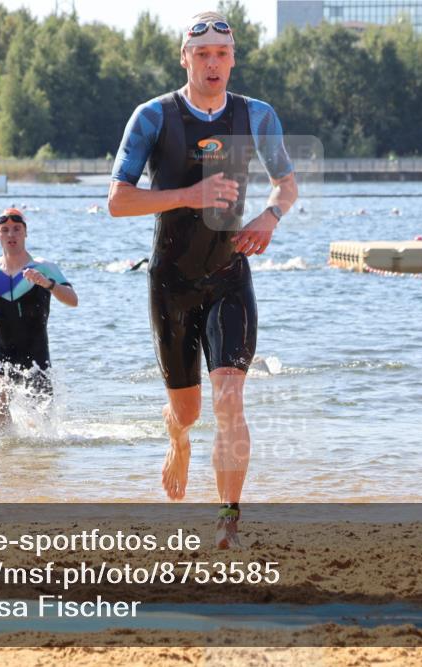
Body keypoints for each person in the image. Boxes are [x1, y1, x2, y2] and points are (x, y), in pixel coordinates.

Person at [107, 11, 298, 546]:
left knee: (229, 398)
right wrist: (188, 196)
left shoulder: (256, 115)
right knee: (188, 411)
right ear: (185, 58)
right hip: (171, 282)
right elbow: (118, 201)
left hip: (228, 275)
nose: (213, 64)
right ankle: (178, 439)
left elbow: (287, 184)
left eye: (222, 55)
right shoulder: (153, 117)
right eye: (203, 55)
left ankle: (227, 520)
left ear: (233, 59)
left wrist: (270, 216)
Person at [0, 208, 78, 428]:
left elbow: (72, 300)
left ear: (25, 233)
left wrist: (47, 284)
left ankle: (30, 460)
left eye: (17, 229)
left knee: (40, 426)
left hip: (36, 356)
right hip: (2, 354)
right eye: (5, 230)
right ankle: (6, 456)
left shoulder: (44, 267)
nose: (11, 234)